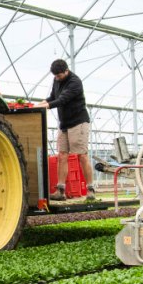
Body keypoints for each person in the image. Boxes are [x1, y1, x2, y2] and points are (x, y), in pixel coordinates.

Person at [34, 58, 95, 199]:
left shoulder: (75, 82)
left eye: (59, 75)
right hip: (64, 124)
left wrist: (45, 106)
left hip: (78, 122)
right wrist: (40, 103)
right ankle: (60, 190)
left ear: (66, 71)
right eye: (55, 76)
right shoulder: (57, 80)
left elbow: (62, 100)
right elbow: (53, 97)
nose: (57, 78)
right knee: (62, 155)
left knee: (82, 155)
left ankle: (90, 189)